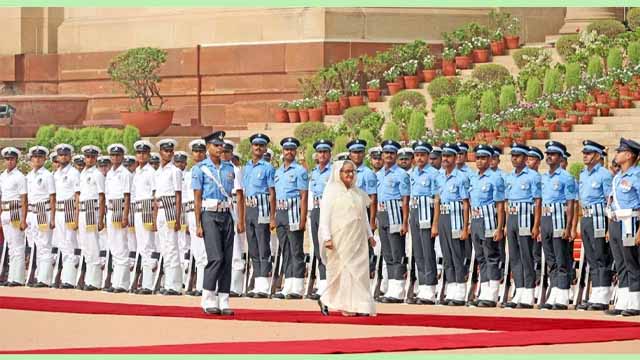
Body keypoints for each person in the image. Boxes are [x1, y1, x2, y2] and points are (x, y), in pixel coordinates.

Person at [192, 130, 244, 315]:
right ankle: (208, 298)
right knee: (215, 257)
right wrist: (198, 223)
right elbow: (197, 198)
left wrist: (238, 219)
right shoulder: (200, 169)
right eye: (216, 145)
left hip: (226, 213)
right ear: (208, 147)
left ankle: (224, 299)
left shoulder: (230, 168)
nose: (220, 148)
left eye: (221, 145)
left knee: (227, 258)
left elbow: (236, 194)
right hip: (209, 214)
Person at [318, 160, 376, 316]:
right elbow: (324, 218)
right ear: (339, 173)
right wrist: (327, 238)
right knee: (342, 271)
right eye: (346, 172)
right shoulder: (331, 192)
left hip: (358, 238)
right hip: (339, 239)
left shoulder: (358, 192)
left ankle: (361, 305)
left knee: (359, 272)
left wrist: (370, 235)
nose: (350, 174)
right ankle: (334, 301)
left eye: (352, 171)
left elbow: (363, 216)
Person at [574, 140, 613, 311]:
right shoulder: (583, 174)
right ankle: (596, 292)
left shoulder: (604, 174)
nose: (585, 156)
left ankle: (603, 295)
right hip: (587, 217)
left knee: (601, 256)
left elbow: (609, 201)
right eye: (584, 153)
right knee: (591, 257)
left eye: (589, 153)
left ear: (598, 156)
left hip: (599, 217)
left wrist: (609, 226)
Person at [539, 141, 577, 310]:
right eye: (547, 154)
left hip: (559, 217)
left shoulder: (566, 177)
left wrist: (568, 227)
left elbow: (570, 204)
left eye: (553, 154)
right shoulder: (544, 177)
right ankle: (554, 290)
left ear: (561, 157)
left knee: (561, 257)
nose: (549, 157)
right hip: (546, 218)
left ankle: (562, 293)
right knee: (550, 257)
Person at [503, 143, 542, 308]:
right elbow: (506, 201)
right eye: (512, 155)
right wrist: (505, 224)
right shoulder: (509, 176)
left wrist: (536, 225)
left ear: (526, 158)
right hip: (512, 216)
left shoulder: (533, 176)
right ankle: (518, 289)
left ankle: (528, 291)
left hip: (526, 216)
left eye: (517, 156)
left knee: (527, 255)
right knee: (514, 255)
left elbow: (538, 202)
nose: (514, 158)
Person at [432, 143, 470, 306]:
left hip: (456, 218)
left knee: (457, 254)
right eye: (444, 156)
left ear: (455, 158)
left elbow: (466, 203)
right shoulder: (439, 177)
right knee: (446, 254)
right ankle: (451, 287)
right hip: (444, 217)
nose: (445, 159)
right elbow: (437, 201)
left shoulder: (461, 177)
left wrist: (465, 226)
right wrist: (435, 224)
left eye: (448, 156)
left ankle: (460, 289)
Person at [468, 144, 506, 308]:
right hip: (476, 220)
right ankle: (483, 290)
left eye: (483, 158)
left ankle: (492, 292)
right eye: (478, 158)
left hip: (489, 219)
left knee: (491, 255)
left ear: (490, 159)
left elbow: (500, 205)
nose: (480, 161)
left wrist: (499, 227)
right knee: (481, 257)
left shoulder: (495, 178)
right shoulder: (474, 178)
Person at [607, 138, 640, 317]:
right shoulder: (618, 177)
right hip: (615, 221)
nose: (616, 155)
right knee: (620, 262)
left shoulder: (637, 175)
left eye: (620, 152)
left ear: (629, 155)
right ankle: (624, 300)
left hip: (631, 222)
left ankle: (636, 302)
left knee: (632, 262)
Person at [273, 137, 308, 299]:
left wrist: (302, 218)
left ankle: (298, 285)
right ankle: (288, 284)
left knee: (296, 249)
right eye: (286, 149)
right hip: (280, 213)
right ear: (283, 151)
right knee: (285, 250)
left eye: (292, 149)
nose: (289, 152)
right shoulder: (278, 171)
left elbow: (303, 195)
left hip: (294, 213)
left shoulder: (300, 171)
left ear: (295, 152)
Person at [375, 139, 410, 303]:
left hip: (395, 213)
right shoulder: (379, 174)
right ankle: (391, 286)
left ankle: (399, 288)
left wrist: (404, 221)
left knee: (397, 252)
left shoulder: (401, 174)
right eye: (386, 152)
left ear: (396, 155)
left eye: (391, 153)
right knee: (387, 253)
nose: (388, 155)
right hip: (382, 214)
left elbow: (405, 200)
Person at [243, 133, 276, 298]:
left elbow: (272, 193)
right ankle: (257, 281)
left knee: (263, 245)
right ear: (252, 147)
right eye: (255, 145)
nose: (258, 148)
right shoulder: (247, 167)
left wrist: (272, 217)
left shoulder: (268, 167)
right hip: (249, 209)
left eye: (261, 145)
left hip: (262, 209)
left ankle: (264, 283)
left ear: (265, 149)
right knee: (253, 246)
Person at [407, 140, 439, 304]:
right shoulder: (412, 173)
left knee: (428, 251)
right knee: (418, 252)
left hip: (428, 213)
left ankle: (430, 287)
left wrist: (435, 223)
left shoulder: (434, 174)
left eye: (422, 155)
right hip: (415, 213)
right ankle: (422, 284)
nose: (419, 158)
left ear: (428, 156)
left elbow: (437, 198)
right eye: (417, 155)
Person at [154, 139, 183, 295]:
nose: (168, 153)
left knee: (172, 247)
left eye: (171, 151)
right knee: (164, 247)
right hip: (160, 210)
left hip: (171, 209)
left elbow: (178, 195)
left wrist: (178, 218)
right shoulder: (157, 172)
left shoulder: (175, 171)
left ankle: (175, 285)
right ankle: (168, 282)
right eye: (166, 151)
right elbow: (155, 197)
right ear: (160, 153)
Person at [347, 139, 378, 283]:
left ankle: (367, 277)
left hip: (362, 213)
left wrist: (372, 221)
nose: (357, 155)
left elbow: (372, 198)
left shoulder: (368, 173)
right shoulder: (346, 172)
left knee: (364, 247)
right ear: (350, 154)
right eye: (354, 152)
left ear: (364, 154)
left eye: (360, 152)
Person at [26, 146, 56, 287]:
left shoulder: (48, 175)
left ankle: (45, 279)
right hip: (31, 213)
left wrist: (53, 218)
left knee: (44, 246)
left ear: (44, 159)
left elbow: (52, 196)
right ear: (31, 159)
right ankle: (38, 275)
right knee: (34, 246)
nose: (37, 159)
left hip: (43, 211)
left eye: (40, 157)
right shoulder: (28, 176)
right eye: (35, 157)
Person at [77, 145, 106, 290]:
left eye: (92, 157)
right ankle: (88, 279)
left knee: (93, 245)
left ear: (96, 158)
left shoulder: (98, 174)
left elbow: (102, 197)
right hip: (82, 210)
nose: (89, 159)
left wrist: (100, 219)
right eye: (87, 157)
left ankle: (94, 281)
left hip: (91, 210)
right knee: (86, 246)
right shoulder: (82, 173)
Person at [104, 143, 132, 292]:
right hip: (110, 210)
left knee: (121, 246)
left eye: (118, 155)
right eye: (113, 155)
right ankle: (115, 282)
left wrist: (125, 216)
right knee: (113, 246)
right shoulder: (109, 173)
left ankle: (123, 283)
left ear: (122, 157)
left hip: (120, 209)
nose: (115, 157)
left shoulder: (125, 173)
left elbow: (127, 196)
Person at [52, 144, 80, 288]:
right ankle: (64, 277)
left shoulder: (74, 173)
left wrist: (76, 217)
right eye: (60, 155)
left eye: (65, 155)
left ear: (70, 156)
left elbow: (77, 196)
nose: (63, 157)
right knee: (62, 244)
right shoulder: (56, 174)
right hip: (58, 210)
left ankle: (70, 279)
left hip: (69, 210)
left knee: (70, 244)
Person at [130, 140, 157, 295]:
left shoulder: (151, 172)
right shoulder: (137, 172)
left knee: (147, 246)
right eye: (139, 153)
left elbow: (155, 195)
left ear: (148, 155)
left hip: (147, 208)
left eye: (144, 153)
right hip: (138, 209)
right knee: (141, 246)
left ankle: (148, 283)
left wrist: (153, 218)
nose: (141, 155)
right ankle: (143, 281)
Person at [309, 139, 333, 299]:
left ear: (330, 154)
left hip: (329, 211)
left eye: (325, 152)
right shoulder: (314, 173)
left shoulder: (333, 172)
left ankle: (331, 283)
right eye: (320, 152)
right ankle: (323, 282)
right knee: (318, 249)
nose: (322, 155)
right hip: (316, 210)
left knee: (330, 248)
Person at [183, 139, 208, 296]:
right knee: (197, 251)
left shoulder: (206, 169)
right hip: (190, 212)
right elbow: (187, 197)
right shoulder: (189, 172)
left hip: (202, 211)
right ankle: (199, 285)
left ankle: (204, 286)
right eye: (195, 151)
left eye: (201, 151)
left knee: (204, 251)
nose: (198, 154)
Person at [0, 147, 28, 286]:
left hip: (16, 211)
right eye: (7, 159)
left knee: (17, 245)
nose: (9, 161)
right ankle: (12, 276)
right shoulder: (2, 176)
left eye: (11, 159)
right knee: (10, 246)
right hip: (5, 211)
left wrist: (23, 219)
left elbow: (24, 199)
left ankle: (18, 278)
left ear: (16, 160)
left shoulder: (20, 177)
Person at [222, 140, 246, 297]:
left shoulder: (235, 170)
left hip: (233, 209)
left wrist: (240, 219)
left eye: (228, 152)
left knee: (236, 249)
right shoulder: (216, 169)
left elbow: (240, 195)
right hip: (221, 210)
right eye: (222, 151)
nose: (224, 154)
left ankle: (236, 287)